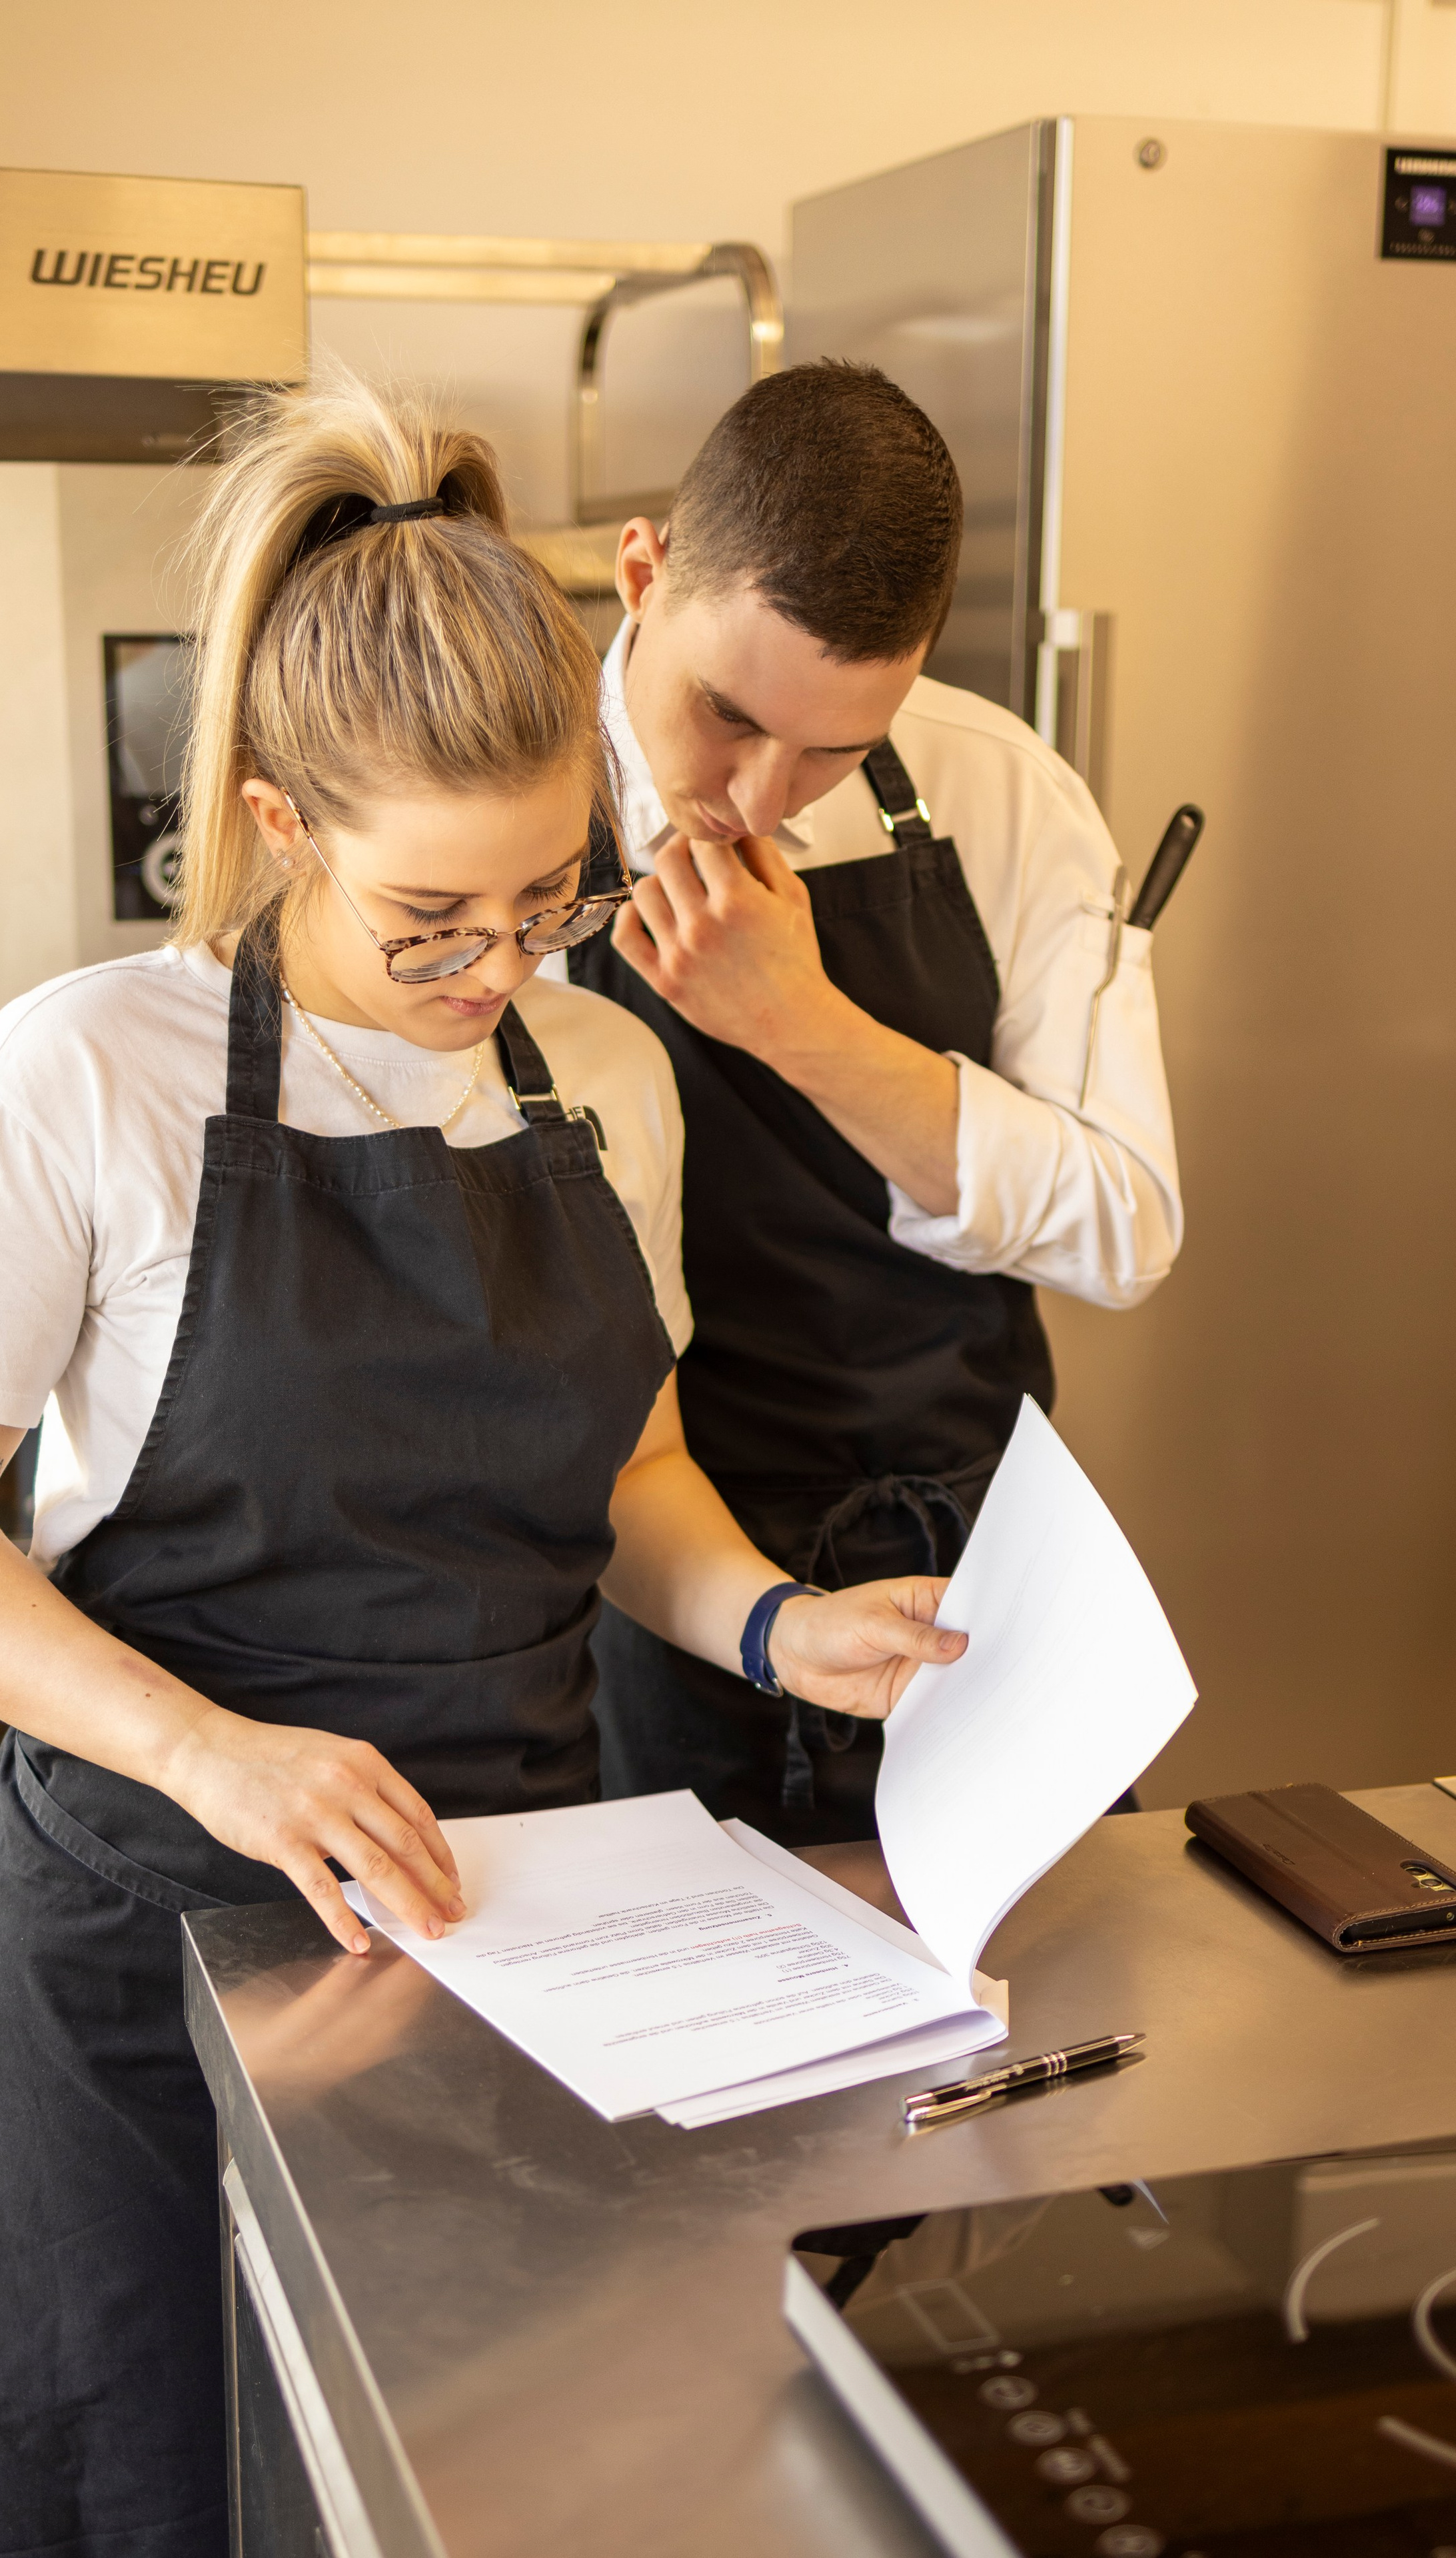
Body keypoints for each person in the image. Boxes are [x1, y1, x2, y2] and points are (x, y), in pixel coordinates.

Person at [0, 380, 968, 2558]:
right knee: (158, 2494)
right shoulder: (88, 1076)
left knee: (477, 2492)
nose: (497, 963)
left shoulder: (607, 1075)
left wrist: (774, 1618)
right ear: (275, 816)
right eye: (431, 911)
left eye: (544, 897)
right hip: (148, 1959)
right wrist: (215, 1751)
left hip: (508, 1939)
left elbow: (627, 1463)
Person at [570, 360, 1181, 1844]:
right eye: (724, 715)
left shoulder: (1001, 789)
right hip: (652, 1575)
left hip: (973, 1572)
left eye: (835, 744)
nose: (761, 793)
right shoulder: (503, 810)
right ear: (640, 571)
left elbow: (1123, 1228)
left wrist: (800, 1024)